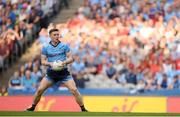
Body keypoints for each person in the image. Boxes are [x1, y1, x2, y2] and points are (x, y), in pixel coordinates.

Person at [26, 28, 88, 112]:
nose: (56, 36)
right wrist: (51, 64)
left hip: (64, 73)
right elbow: (43, 61)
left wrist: (64, 62)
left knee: (74, 90)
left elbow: (71, 58)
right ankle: (32, 107)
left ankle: (83, 109)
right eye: (54, 35)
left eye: (57, 34)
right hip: (51, 73)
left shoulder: (64, 46)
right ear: (50, 36)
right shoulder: (45, 48)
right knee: (40, 90)